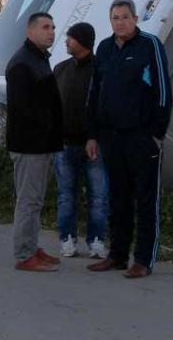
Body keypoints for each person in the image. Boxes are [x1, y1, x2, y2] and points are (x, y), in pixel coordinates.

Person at [86, 0, 172, 279]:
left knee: (146, 200)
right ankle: (118, 255)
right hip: (111, 137)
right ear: (109, 21)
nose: (120, 22)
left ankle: (144, 259)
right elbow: (95, 92)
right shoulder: (105, 48)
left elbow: (163, 92)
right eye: (115, 18)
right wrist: (92, 134)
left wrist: (156, 134)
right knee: (118, 198)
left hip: (142, 137)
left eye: (124, 17)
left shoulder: (150, 45)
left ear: (135, 19)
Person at [5, 12, 64, 272]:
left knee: (35, 200)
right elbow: (24, 109)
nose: (51, 31)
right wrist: (46, 128)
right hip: (30, 145)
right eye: (45, 27)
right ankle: (24, 254)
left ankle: (32, 246)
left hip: (42, 143)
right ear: (31, 31)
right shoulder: (22, 63)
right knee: (28, 201)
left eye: (52, 27)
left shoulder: (38, 59)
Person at [53, 22, 108, 259]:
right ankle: (67, 238)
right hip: (64, 144)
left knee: (99, 195)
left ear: (83, 40)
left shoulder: (101, 69)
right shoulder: (61, 69)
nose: (66, 41)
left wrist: (95, 136)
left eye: (70, 37)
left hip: (94, 144)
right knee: (66, 195)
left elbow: (105, 106)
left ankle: (96, 240)